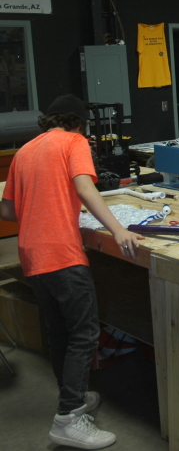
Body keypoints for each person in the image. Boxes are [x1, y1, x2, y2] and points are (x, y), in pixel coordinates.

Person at [0, 94, 143, 450]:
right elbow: (84, 187)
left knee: (60, 331)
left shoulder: (25, 150)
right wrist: (118, 230)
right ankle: (68, 419)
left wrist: (44, 207)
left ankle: (73, 398)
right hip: (61, 254)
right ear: (79, 123)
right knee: (84, 332)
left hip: (31, 254)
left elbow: (6, 211)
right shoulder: (74, 141)